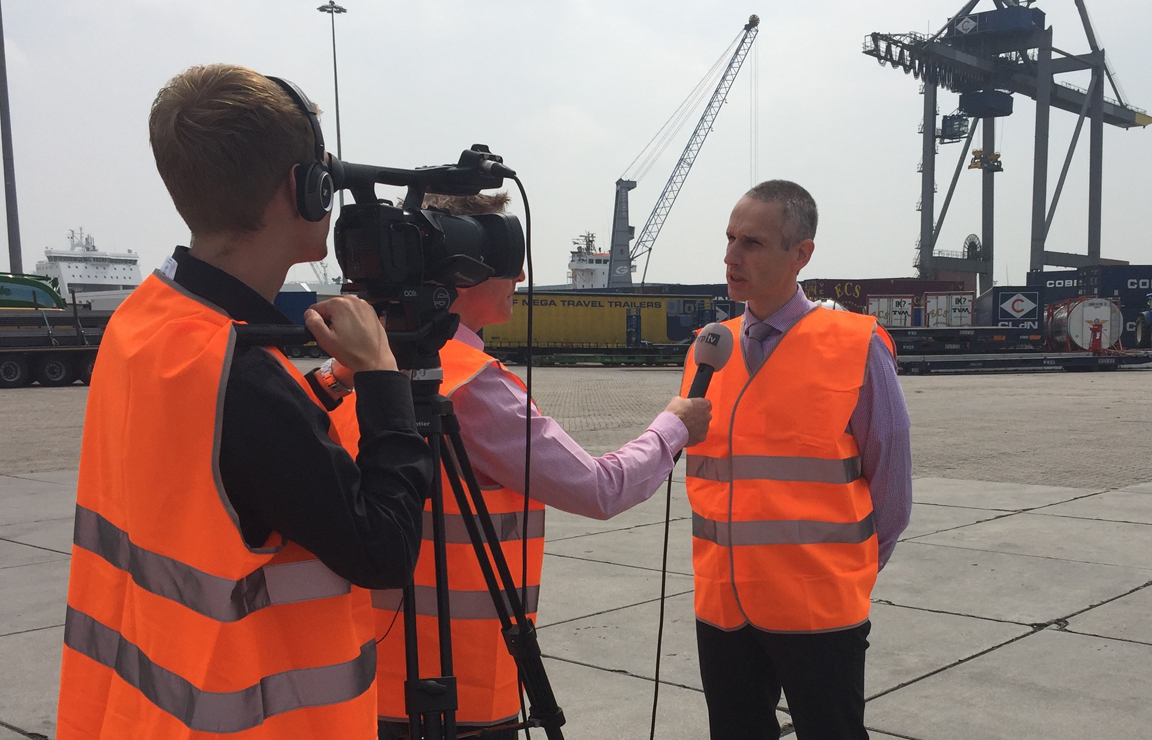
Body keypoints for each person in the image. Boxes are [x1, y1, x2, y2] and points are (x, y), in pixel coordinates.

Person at [56, 65, 433, 739]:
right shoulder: (243, 377)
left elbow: (215, 464)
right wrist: (381, 377)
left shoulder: (147, 320)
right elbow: (382, 550)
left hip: (140, 716)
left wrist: (325, 388)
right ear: (305, 188)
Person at [323, 192, 711, 740]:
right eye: (505, 257)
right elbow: (600, 489)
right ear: (462, 269)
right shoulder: (470, 384)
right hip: (458, 689)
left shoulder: (354, 365)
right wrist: (673, 427)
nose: (521, 274)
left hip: (356, 678)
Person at [680, 180, 912, 740]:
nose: (731, 256)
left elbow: (892, 491)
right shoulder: (707, 348)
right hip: (723, 603)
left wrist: (847, 571)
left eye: (752, 243)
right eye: (730, 238)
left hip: (818, 606)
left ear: (801, 253)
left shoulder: (855, 344)